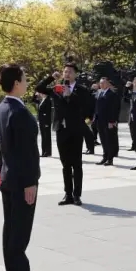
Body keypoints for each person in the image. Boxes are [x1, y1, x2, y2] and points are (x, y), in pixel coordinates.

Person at [0, 64, 42, 271]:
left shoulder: (2, 108)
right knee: (20, 230)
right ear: (16, 83)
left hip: (8, 176)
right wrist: (30, 182)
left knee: (11, 228)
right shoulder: (19, 112)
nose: (26, 82)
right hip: (21, 179)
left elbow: (4, 148)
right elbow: (27, 152)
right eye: (24, 78)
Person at [35, 63, 91, 205]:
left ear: (75, 74)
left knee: (77, 164)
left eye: (70, 72)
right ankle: (68, 194)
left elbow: (86, 105)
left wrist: (71, 95)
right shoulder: (57, 88)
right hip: (61, 130)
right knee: (65, 164)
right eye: (65, 71)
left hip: (76, 130)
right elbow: (39, 88)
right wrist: (50, 78)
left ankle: (77, 195)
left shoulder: (82, 90)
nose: (67, 74)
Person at [94, 77, 121, 166]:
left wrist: (112, 121)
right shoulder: (99, 93)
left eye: (104, 83)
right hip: (99, 120)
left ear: (108, 84)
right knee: (103, 140)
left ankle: (110, 158)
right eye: (101, 83)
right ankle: (105, 156)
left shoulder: (112, 94)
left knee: (109, 140)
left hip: (108, 121)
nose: (102, 85)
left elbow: (114, 109)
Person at [36, 91, 53, 157]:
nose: (41, 94)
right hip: (41, 121)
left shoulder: (48, 100)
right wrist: (36, 94)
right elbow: (33, 100)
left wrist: (47, 122)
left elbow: (48, 112)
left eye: (42, 93)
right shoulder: (42, 100)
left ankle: (48, 152)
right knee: (43, 136)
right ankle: (44, 151)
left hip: (46, 121)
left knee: (47, 137)